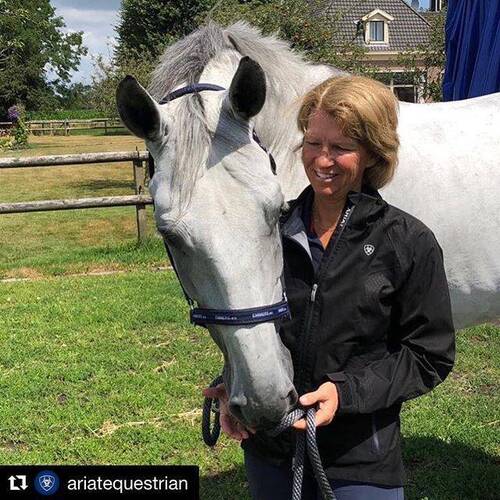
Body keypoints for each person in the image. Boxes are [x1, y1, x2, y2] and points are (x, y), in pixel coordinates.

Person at [204, 75, 455, 499]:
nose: (322, 159)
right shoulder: (272, 232)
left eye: (341, 147)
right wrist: (236, 383)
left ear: (373, 152)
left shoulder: (407, 243)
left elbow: (429, 355)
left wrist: (345, 393)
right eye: (313, 142)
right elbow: (259, 330)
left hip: (360, 460)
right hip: (272, 450)